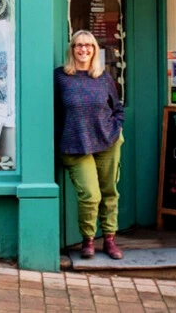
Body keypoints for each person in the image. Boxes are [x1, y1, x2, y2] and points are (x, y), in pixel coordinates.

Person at [55, 30, 125, 260]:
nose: (83, 49)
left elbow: (117, 108)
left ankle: (110, 239)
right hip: (75, 144)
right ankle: (88, 239)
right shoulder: (61, 77)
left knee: (109, 192)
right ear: (72, 49)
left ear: (95, 50)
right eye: (78, 45)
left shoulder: (103, 77)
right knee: (90, 195)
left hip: (107, 141)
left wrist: (116, 129)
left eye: (88, 45)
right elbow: (52, 112)